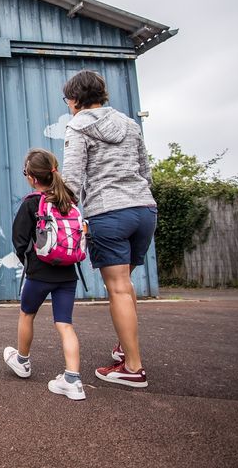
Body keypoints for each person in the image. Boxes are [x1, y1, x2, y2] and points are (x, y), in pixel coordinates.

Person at [61, 70, 157, 389]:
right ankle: (125, 347)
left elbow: (73, 179)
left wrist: (60, 212)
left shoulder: (78, 126)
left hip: (109, 212)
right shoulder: (130, 124)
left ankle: (133, 367)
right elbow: (145, 170)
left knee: (116, 287)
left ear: (75, 100)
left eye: (67, 100)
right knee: (125, 285)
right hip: (144, 209)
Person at [3, 148, 86, 401]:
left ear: (31, 177)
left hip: (39, 273)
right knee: (65, 324)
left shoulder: (31, 203)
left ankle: (23, 361)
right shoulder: (68, 199)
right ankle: (73, 379)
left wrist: (29, 262)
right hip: (68, 274)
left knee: (27, 314)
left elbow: (19, 240)